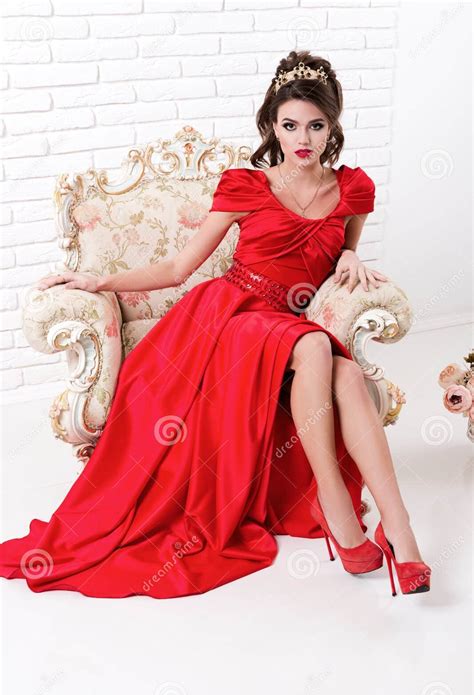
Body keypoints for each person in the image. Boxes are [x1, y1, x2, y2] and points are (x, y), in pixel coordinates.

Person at [0, 50, 431, 599]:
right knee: (318, 353)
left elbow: (344, 244)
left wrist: (349, 255)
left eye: (316, 125)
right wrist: (97, 281)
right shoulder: (246, 186)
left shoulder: (353, 191)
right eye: (290, 124)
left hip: (285, 324)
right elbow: (180, 266)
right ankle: (337, 508)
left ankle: (403, 534)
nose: (304, 138)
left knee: (346, 378)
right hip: (229, 316)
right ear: (271, 126)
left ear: (333, 127)